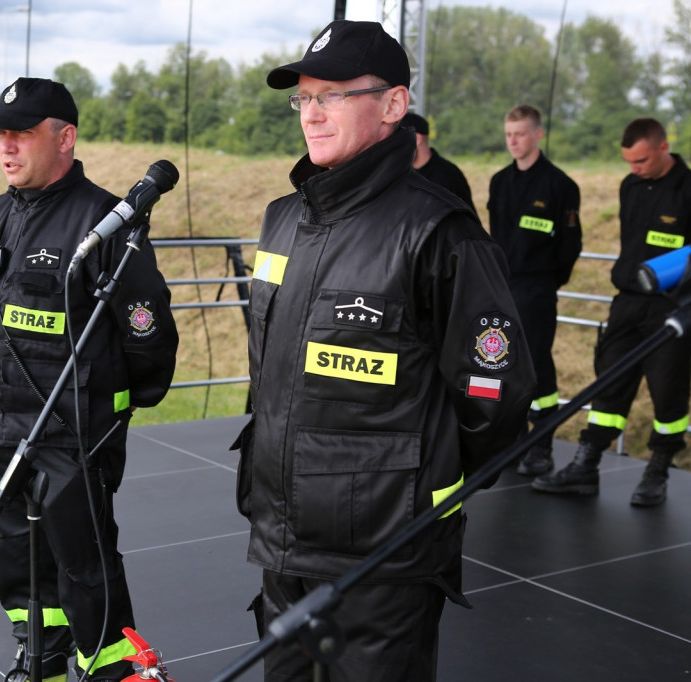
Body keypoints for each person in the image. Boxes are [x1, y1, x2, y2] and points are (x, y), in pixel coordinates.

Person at [233, 20, 535, 681]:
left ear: (394, 105)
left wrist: (414, 489)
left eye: (333, 95)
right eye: (304, 98)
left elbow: (496, 396)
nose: (312, 113)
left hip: (384, 559)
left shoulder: (438, 230)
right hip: (282, 541)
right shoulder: (282, 221)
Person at [0, 77, 179, 682]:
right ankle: (43, 658)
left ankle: (112, 669)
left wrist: (115, 407)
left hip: (72, 433)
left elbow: (147, 331)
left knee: (85, 563)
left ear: (65, 138)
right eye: (1, 134)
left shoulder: (106, 223)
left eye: (22, 134)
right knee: (16, 560)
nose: (6, 147)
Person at [533, 117, 691, 506]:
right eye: (628, 162)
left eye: (640, 161)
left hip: (671, 309)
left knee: (668, 392)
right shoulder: (630, 186)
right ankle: (586, 465)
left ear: (662, 148)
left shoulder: (689, 189)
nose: (633, 169)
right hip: (627, 302)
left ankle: (658, 471)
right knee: (609, 380)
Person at [487, 104, 583, 477]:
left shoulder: (560, 186)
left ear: (538, 134)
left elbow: (570, 245)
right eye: (509, 134)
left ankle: (541, 446)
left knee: (538, 366)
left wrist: (548, 281)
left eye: (520, 134)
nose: (513, 141)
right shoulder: (499, 182)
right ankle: (513, 442)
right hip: (503, 287)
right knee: (503, 365)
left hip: (538, 288)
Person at [401, 111, 476, 211]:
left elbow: (467, 220)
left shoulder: (449, 176)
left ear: (417, 139)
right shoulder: (398, 175)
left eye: (398, 138)